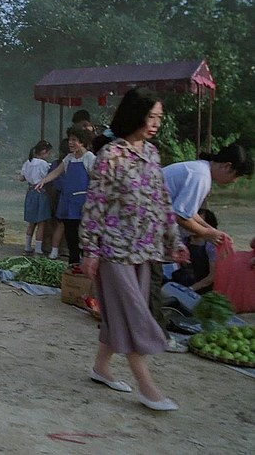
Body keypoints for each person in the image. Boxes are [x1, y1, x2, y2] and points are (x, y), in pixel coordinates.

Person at [80, 87, 189, 411]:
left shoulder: (152, 154)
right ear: (135, 114)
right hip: (115, 251)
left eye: (159, 118)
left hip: (146, 249)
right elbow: (95, 206)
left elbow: (163, 202)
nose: (155, 123)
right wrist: (89, 250)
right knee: (133, 316)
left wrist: (175, 241)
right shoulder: (110, 156)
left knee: (121, 314)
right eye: (150, 116)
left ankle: (101, 367)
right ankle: (147, 388)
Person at [149, 142, 253, 349]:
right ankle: (157, 335)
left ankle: (146, 329)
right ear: (227, 166)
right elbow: (180, 215)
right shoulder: (200, 176)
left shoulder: (199, 171)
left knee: (151, 280)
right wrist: (207, 233)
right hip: (144, 228)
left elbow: (189, 211)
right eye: (236, 176)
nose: (234, 181)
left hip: (149, 229)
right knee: (151, 281)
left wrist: (211, 230)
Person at [36, 126, 96, 263]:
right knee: (70, 236)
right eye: (70, 139)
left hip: (83, 204)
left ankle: (84, 264)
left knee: (83, 237)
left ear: (82, 142)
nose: (70, 142)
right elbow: (57, 172)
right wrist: (43, 181)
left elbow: (96, 179)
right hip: (69, 203)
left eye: (74, 140)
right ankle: (73, 264)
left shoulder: (89, 158)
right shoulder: (69, 158)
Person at [170, 209, 218, 294]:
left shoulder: (210, 246)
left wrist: (190, 289)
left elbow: (212, 276)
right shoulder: (183, 242)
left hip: (201, 290)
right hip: (181, 284)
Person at [20, 140, 53, 255]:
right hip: (40, 192)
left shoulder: (27, 162)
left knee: (31, 222)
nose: (49, 155)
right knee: (41, 222)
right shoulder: (43, 164)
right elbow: (47, 177)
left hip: (30, 192)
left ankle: (27, 246)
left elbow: (21, 178)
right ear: (44, 151)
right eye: (48, 153)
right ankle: (38, 249)